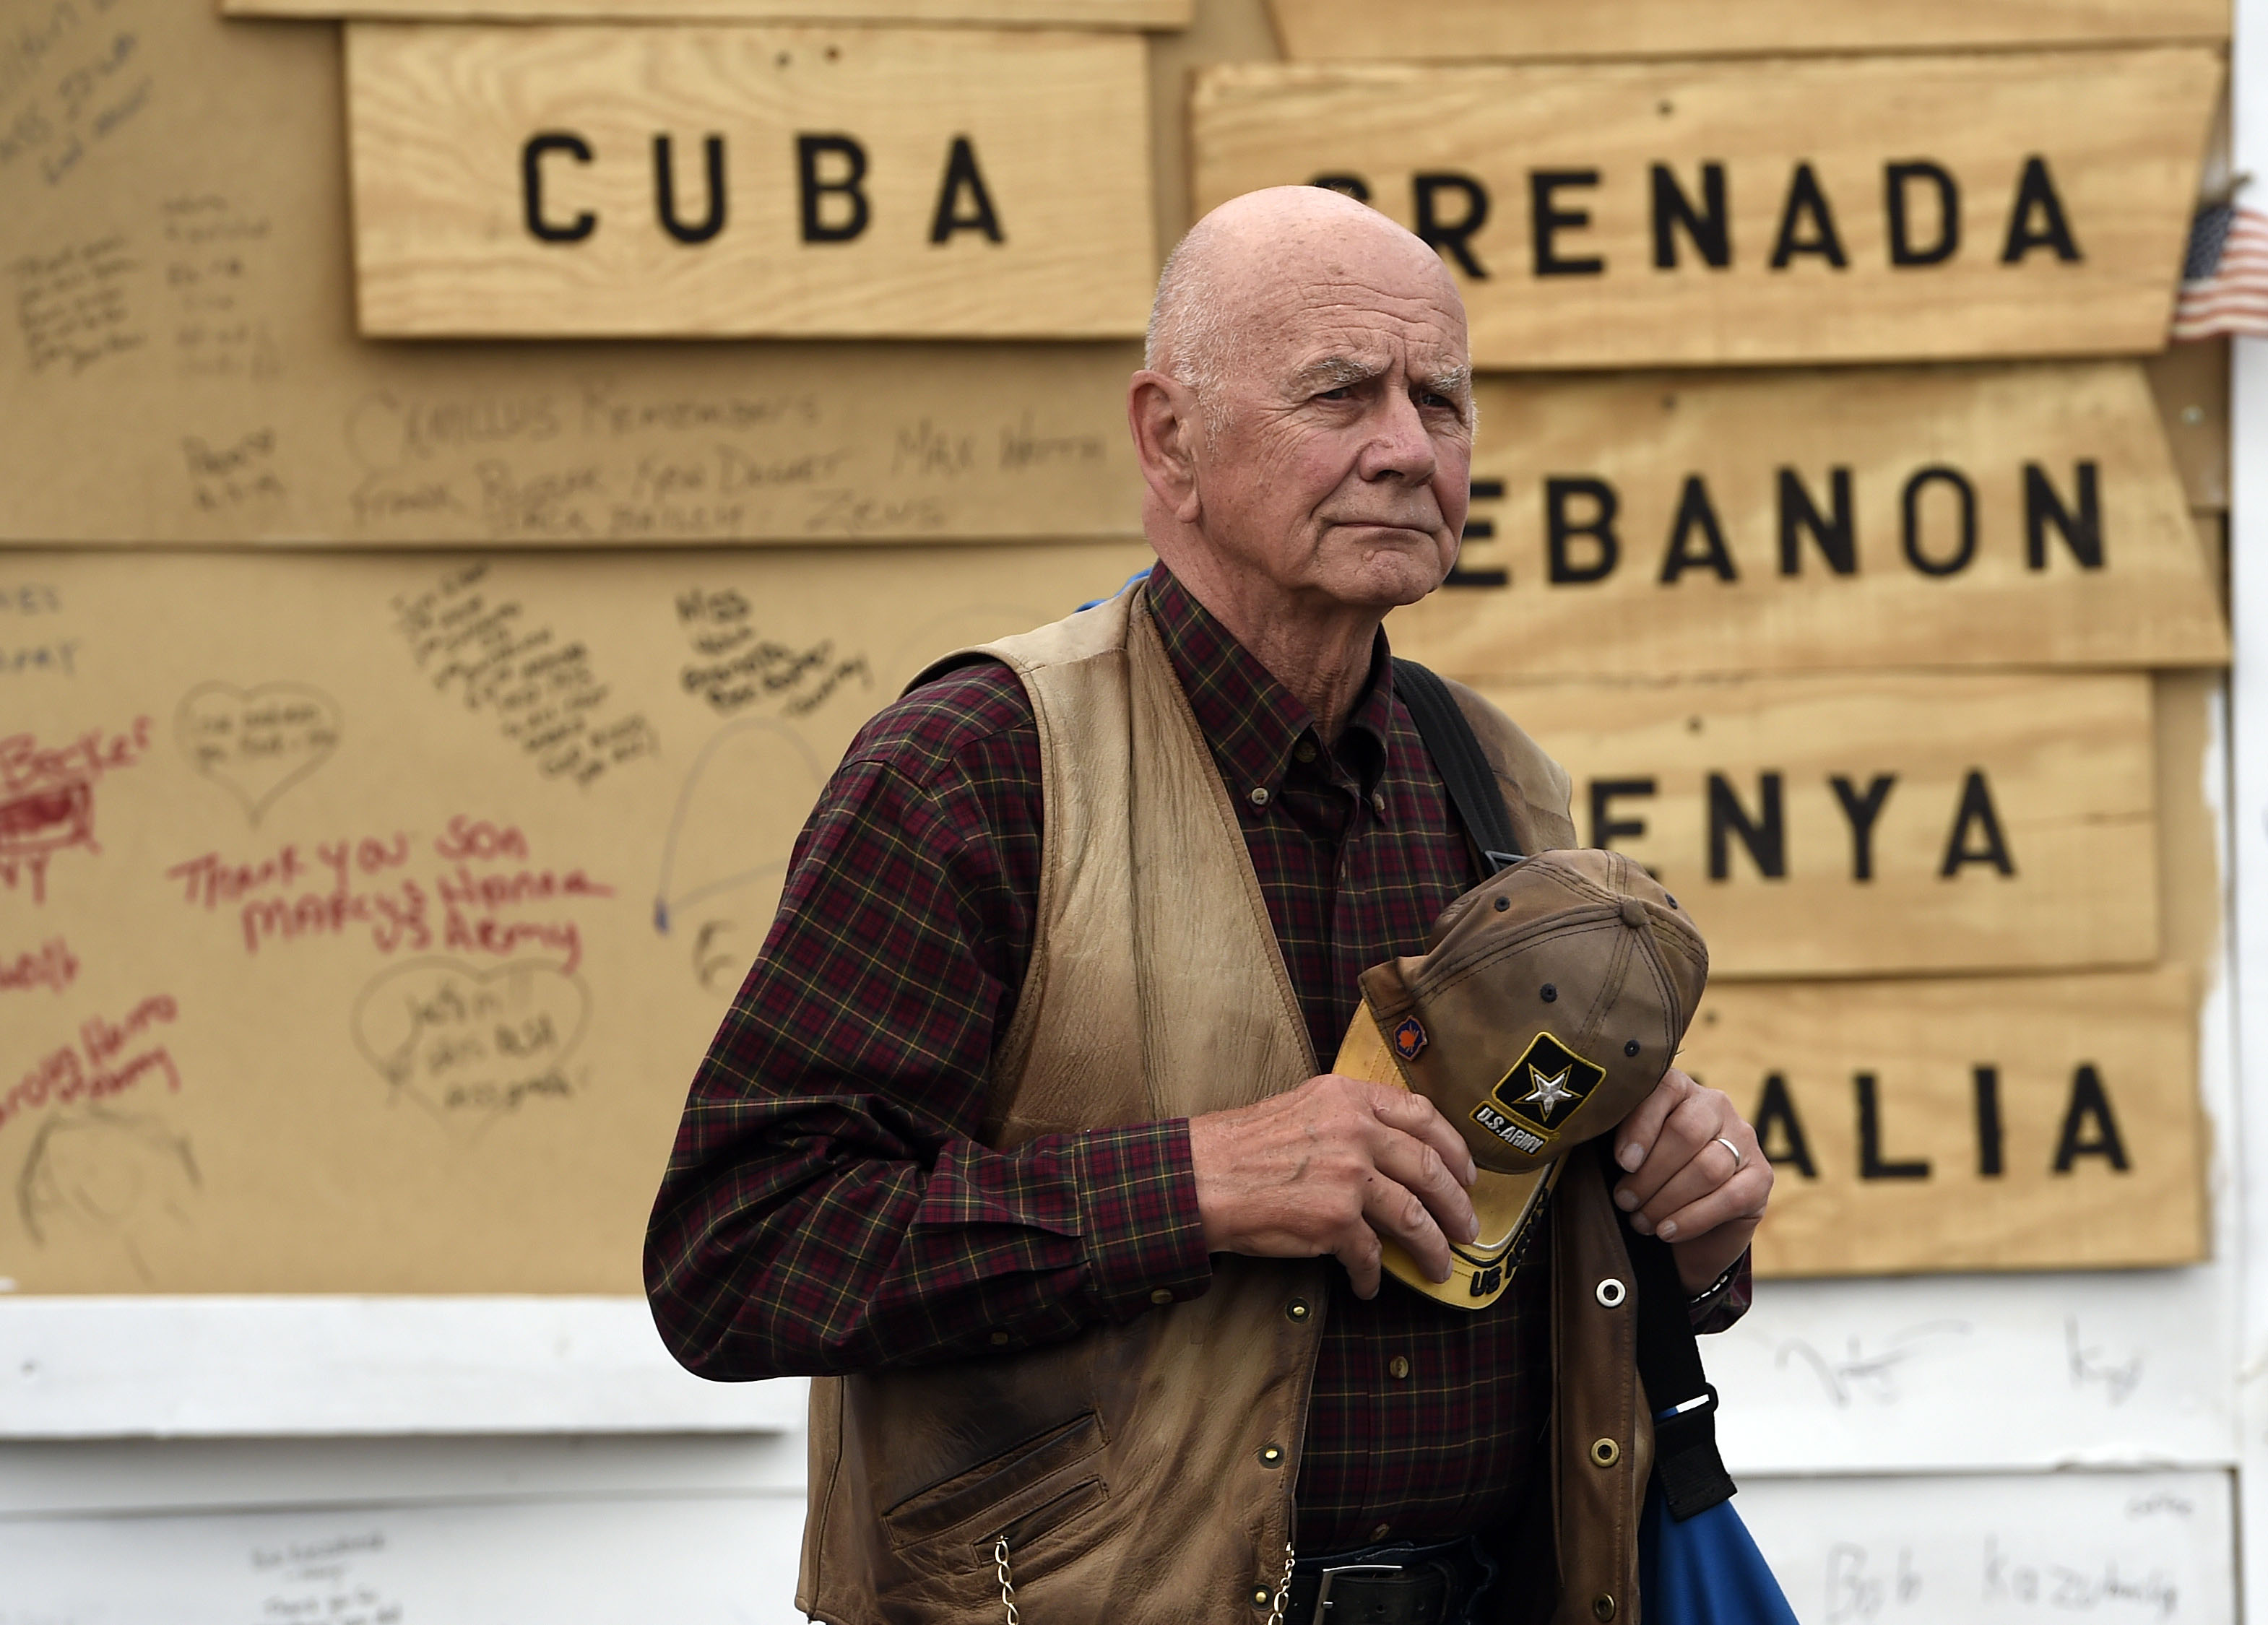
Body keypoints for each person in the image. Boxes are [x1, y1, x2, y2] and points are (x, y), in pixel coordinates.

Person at [645, 185, 1773, 1625]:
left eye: (1442, 399)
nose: (1405, 448)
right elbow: (738, 1255)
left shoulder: (1498, 781)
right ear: (1168, 438)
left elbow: (1522, 1231)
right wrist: (1195, 1188)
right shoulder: (972, 769)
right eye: (1339, 394)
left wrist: (1685, 1221)